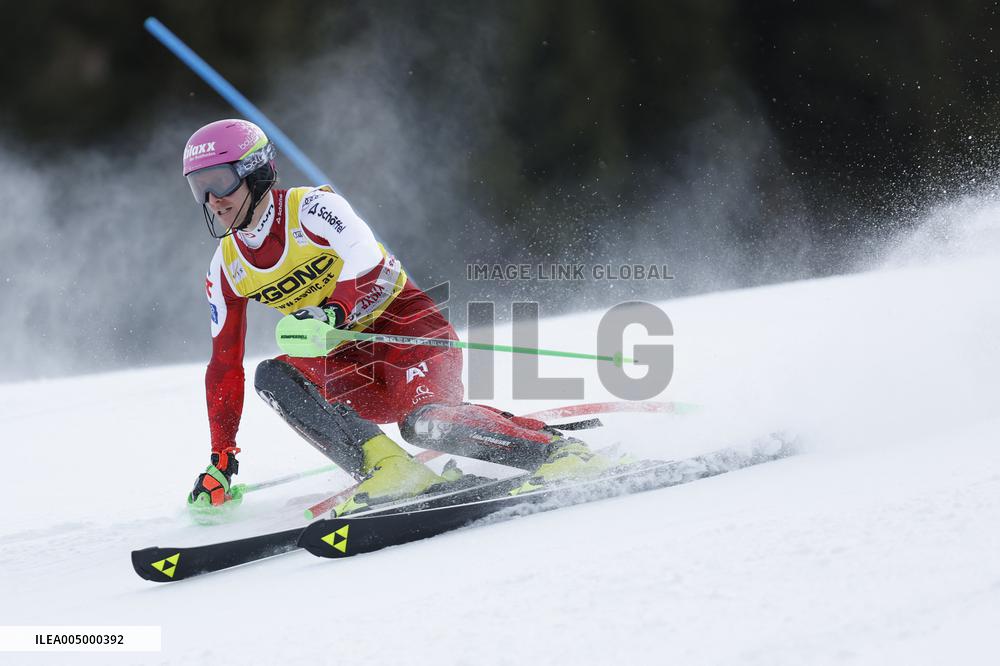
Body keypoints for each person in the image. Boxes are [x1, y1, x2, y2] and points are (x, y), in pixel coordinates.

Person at [183, 118, 612, 517]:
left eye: (220, 181)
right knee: (273, 375)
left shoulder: (312, 208)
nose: (212, 200)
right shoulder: (225, 268)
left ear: (256, 172)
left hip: (408, 334)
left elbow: (365, 258)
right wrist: (222, 456)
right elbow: (224, 366)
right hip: (353, 366)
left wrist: (332, 311)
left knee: (427, 424)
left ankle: (561, 452)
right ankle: (392, 470)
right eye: (199, 188)